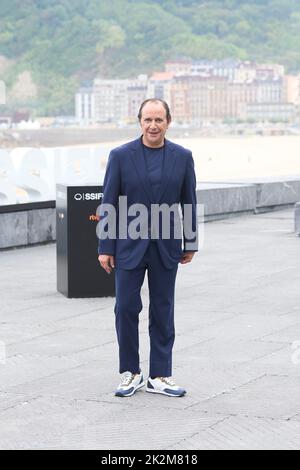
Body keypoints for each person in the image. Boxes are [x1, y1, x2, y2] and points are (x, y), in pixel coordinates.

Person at [98, 98, 198, 397]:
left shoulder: (182, 156)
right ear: (139, 121)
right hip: (128, 245)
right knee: (126, 307)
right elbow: (109, 202)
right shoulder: (120, 155)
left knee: (163, 309)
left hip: (166, 246)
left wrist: (190, 242)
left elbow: (189, 202)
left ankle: (160, 375)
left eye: (159, 120)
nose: (153, 126)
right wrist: (105, 246)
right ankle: (131, 372)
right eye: (147, 120)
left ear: (168, 122)